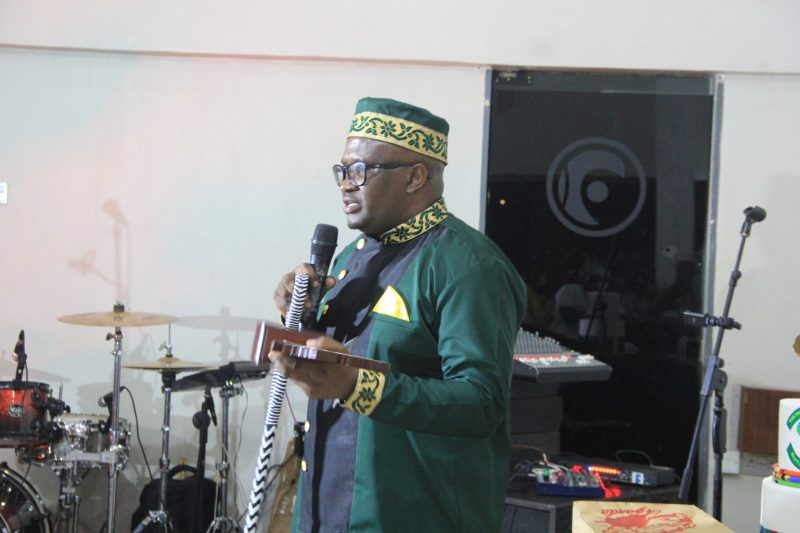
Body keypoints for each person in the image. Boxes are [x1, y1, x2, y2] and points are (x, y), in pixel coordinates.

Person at [270, 97, 526, 532]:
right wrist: (300, 314)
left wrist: (357, 386)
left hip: (413, 516)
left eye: (360, 170)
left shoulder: (468, 266)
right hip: (326, 512)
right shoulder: (351, 258)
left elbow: (482, 402)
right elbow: (342, 359)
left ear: (414, 177)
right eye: (342, 171)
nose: (345, 185)